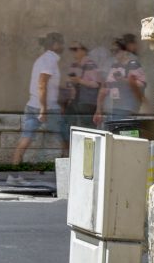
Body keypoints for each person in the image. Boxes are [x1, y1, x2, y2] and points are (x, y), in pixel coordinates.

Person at [11, 31, 65, 167]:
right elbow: (42, 84)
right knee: (66, 137)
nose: (63, 46)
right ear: (55, 44)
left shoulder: (43, 59)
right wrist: (43, 109)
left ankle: (14, 169)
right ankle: (68, 168)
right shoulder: (50, 59)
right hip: (47, 107)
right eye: (61, 43)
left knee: (26, 138)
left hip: (33, 104)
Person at [95, 33, 148, 133]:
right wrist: (98, 109)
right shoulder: (115, 66)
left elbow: (141, 85)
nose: (114, 53)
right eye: (112, 51)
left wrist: (124, 81)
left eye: (116, 51)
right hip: (114, 108)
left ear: (124, 51)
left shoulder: (133, 65)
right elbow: (105, 87)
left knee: (123, 136)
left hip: (128, 109)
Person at [60, 40, 101, 131]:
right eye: (72, 49)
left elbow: (96, 84)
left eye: (75, 49)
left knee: (87, 128)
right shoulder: (73, 65)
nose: (73, 52)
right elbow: (69, 82)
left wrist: (80, 81)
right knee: (68, 125)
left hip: (87, 102)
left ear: (84, 50)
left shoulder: (91, 65)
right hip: (74, 101)